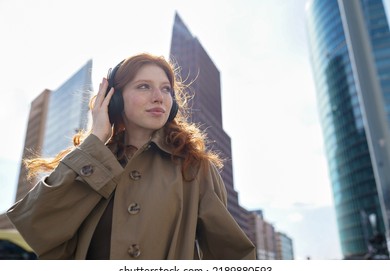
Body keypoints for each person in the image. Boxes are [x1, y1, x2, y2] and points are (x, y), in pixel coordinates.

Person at [7, 53, 256, 260]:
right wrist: (95, 141)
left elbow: (233, 258)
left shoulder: (195, 168)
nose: (159, 96)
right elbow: (38, 226)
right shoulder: (89, 161)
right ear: (114, 100)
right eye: (144, 86)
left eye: (166, 89)